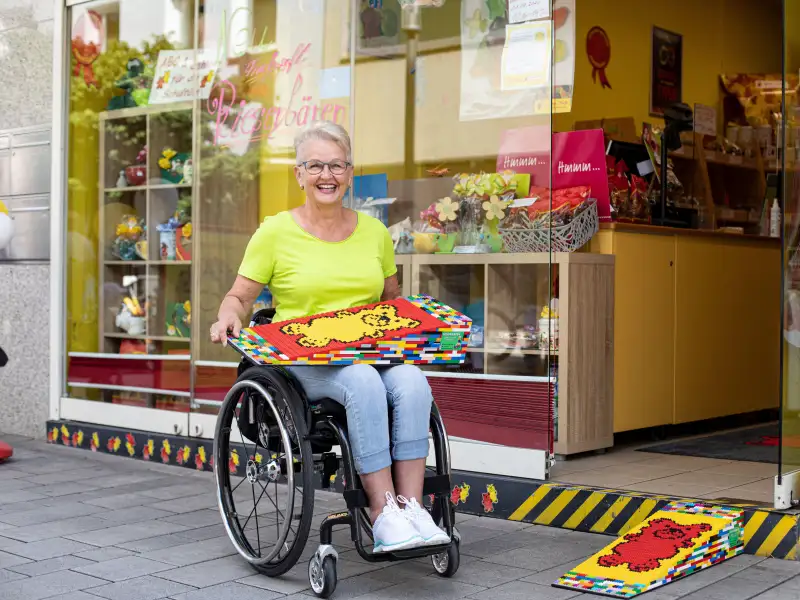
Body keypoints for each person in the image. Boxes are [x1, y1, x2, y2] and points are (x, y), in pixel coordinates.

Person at [210, 120, 449, 553]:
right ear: (299, 174)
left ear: (350, 173)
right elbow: (239, 297)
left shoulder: (374, 233)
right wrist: (227, 317)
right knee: (361, 380)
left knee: (412, 380)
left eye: (337, 165)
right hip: (305, 362)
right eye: (316, 165)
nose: (327, 175)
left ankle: (412, 508)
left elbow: (391, 302)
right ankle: (381, 511)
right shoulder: (275, 233)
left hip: (371, 351)